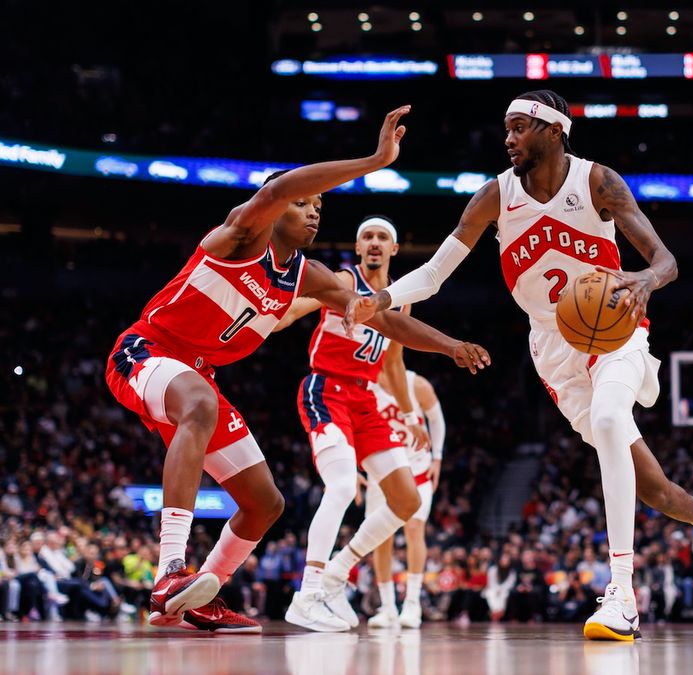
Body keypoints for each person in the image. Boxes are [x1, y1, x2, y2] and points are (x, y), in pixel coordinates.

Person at [343, 89, 693, 641]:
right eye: (506, 128)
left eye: (519, 127)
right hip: (552, 346)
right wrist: (382, 300)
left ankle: (622, 594)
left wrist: (645, 279)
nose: (508, 138)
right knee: (654, 488)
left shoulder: (597, 182)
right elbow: (432, 275)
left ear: (554, 131)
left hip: (616, 324)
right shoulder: (493, 197)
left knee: (607, 421)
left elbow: (665, 260)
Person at [104, 106, 490, 633]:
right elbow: (278, 188)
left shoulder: (311, 277)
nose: (314, 212)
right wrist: (376, 159)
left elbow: (384, 318)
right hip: (145, 352)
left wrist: (450, 347)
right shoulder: (239, 236)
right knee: (201, 404)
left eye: (319, 207)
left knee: (265, 503)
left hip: (198, 376)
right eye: (304, 203)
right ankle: (171, 568)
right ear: (277, 205)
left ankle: (198, 597)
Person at [270, 214, 433, 632]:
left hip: (365, 400)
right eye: (367, 237)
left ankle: (336, 574)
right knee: (342, 486)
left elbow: (394, 364)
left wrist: (412, 415)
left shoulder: (400, 299)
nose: (375, 242)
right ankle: (306, 595)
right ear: (359, 248)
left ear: (395, 249)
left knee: (407, 501)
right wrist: (263, 316)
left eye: (382, 237)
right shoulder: (342, 283)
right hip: (325, 389)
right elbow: (293, 309)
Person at [366, 365, 446, 628]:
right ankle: (387, 607)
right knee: (381, 538)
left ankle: (412, 604)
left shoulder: (417, 384)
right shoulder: (366, 384)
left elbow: (436, 419)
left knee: (414, 528)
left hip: (418, 468)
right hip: (383, 470)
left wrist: (437, 457)